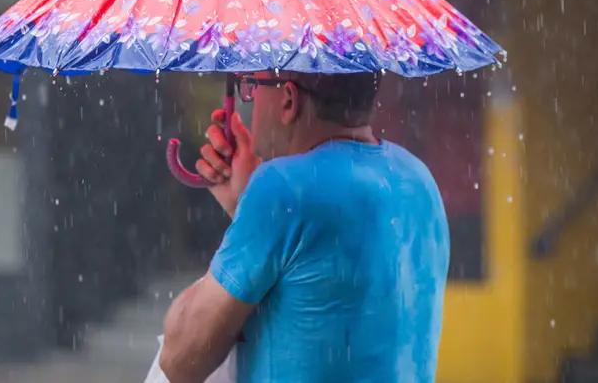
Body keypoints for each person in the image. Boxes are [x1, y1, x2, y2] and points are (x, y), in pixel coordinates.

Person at [159, 71, 450, 383]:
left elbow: (181, 360)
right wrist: (243, 207)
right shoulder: (419, 179)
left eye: (253, 86)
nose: (252, 98)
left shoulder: (282, 189)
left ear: (288, 100)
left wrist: (257, 207)